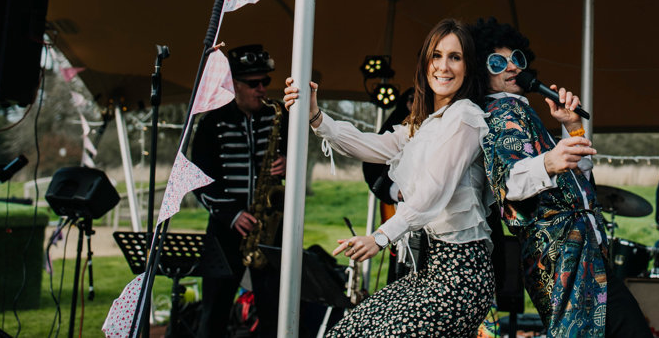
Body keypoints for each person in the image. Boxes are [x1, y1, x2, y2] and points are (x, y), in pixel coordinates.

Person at [285, 19, 495, 338]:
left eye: (455, 57)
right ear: (425, 63)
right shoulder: (425, 124)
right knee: (345, 332)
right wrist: (316, 117)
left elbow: (431, 194)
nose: (444, 66)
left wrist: (379, 237)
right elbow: (373, 144)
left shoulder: (465, 117)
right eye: (436, 56)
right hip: (427, 268)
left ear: (468, 66)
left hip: (461, 275)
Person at [471, 17, 652, 338]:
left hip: (581, 253)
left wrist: (572, 127)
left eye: (517, 59)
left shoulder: (521, 110)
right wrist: (549, 163)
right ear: (480, 71)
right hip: (561, 257)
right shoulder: (499, 113)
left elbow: (578, 182)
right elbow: (508, 184)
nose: (512, 67)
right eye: (497, 62)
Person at [190, 44, 286, 338]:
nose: (262, 89)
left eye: (265, 82)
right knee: (214, 311)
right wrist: (230, 213)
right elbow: (198, 177)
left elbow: (300, 157)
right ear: (234, 85)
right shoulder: (211, 122)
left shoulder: (279, 115)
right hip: (224, 229)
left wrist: (288, 163)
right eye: (253, 83)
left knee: (275, 311)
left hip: (268, 228)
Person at [361, 87, 417, 283]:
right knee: (399, 274)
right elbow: (370, 163)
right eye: (410, 100)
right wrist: (396, 192)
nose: (414, 105)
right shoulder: (395, 127)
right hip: (399, 218)